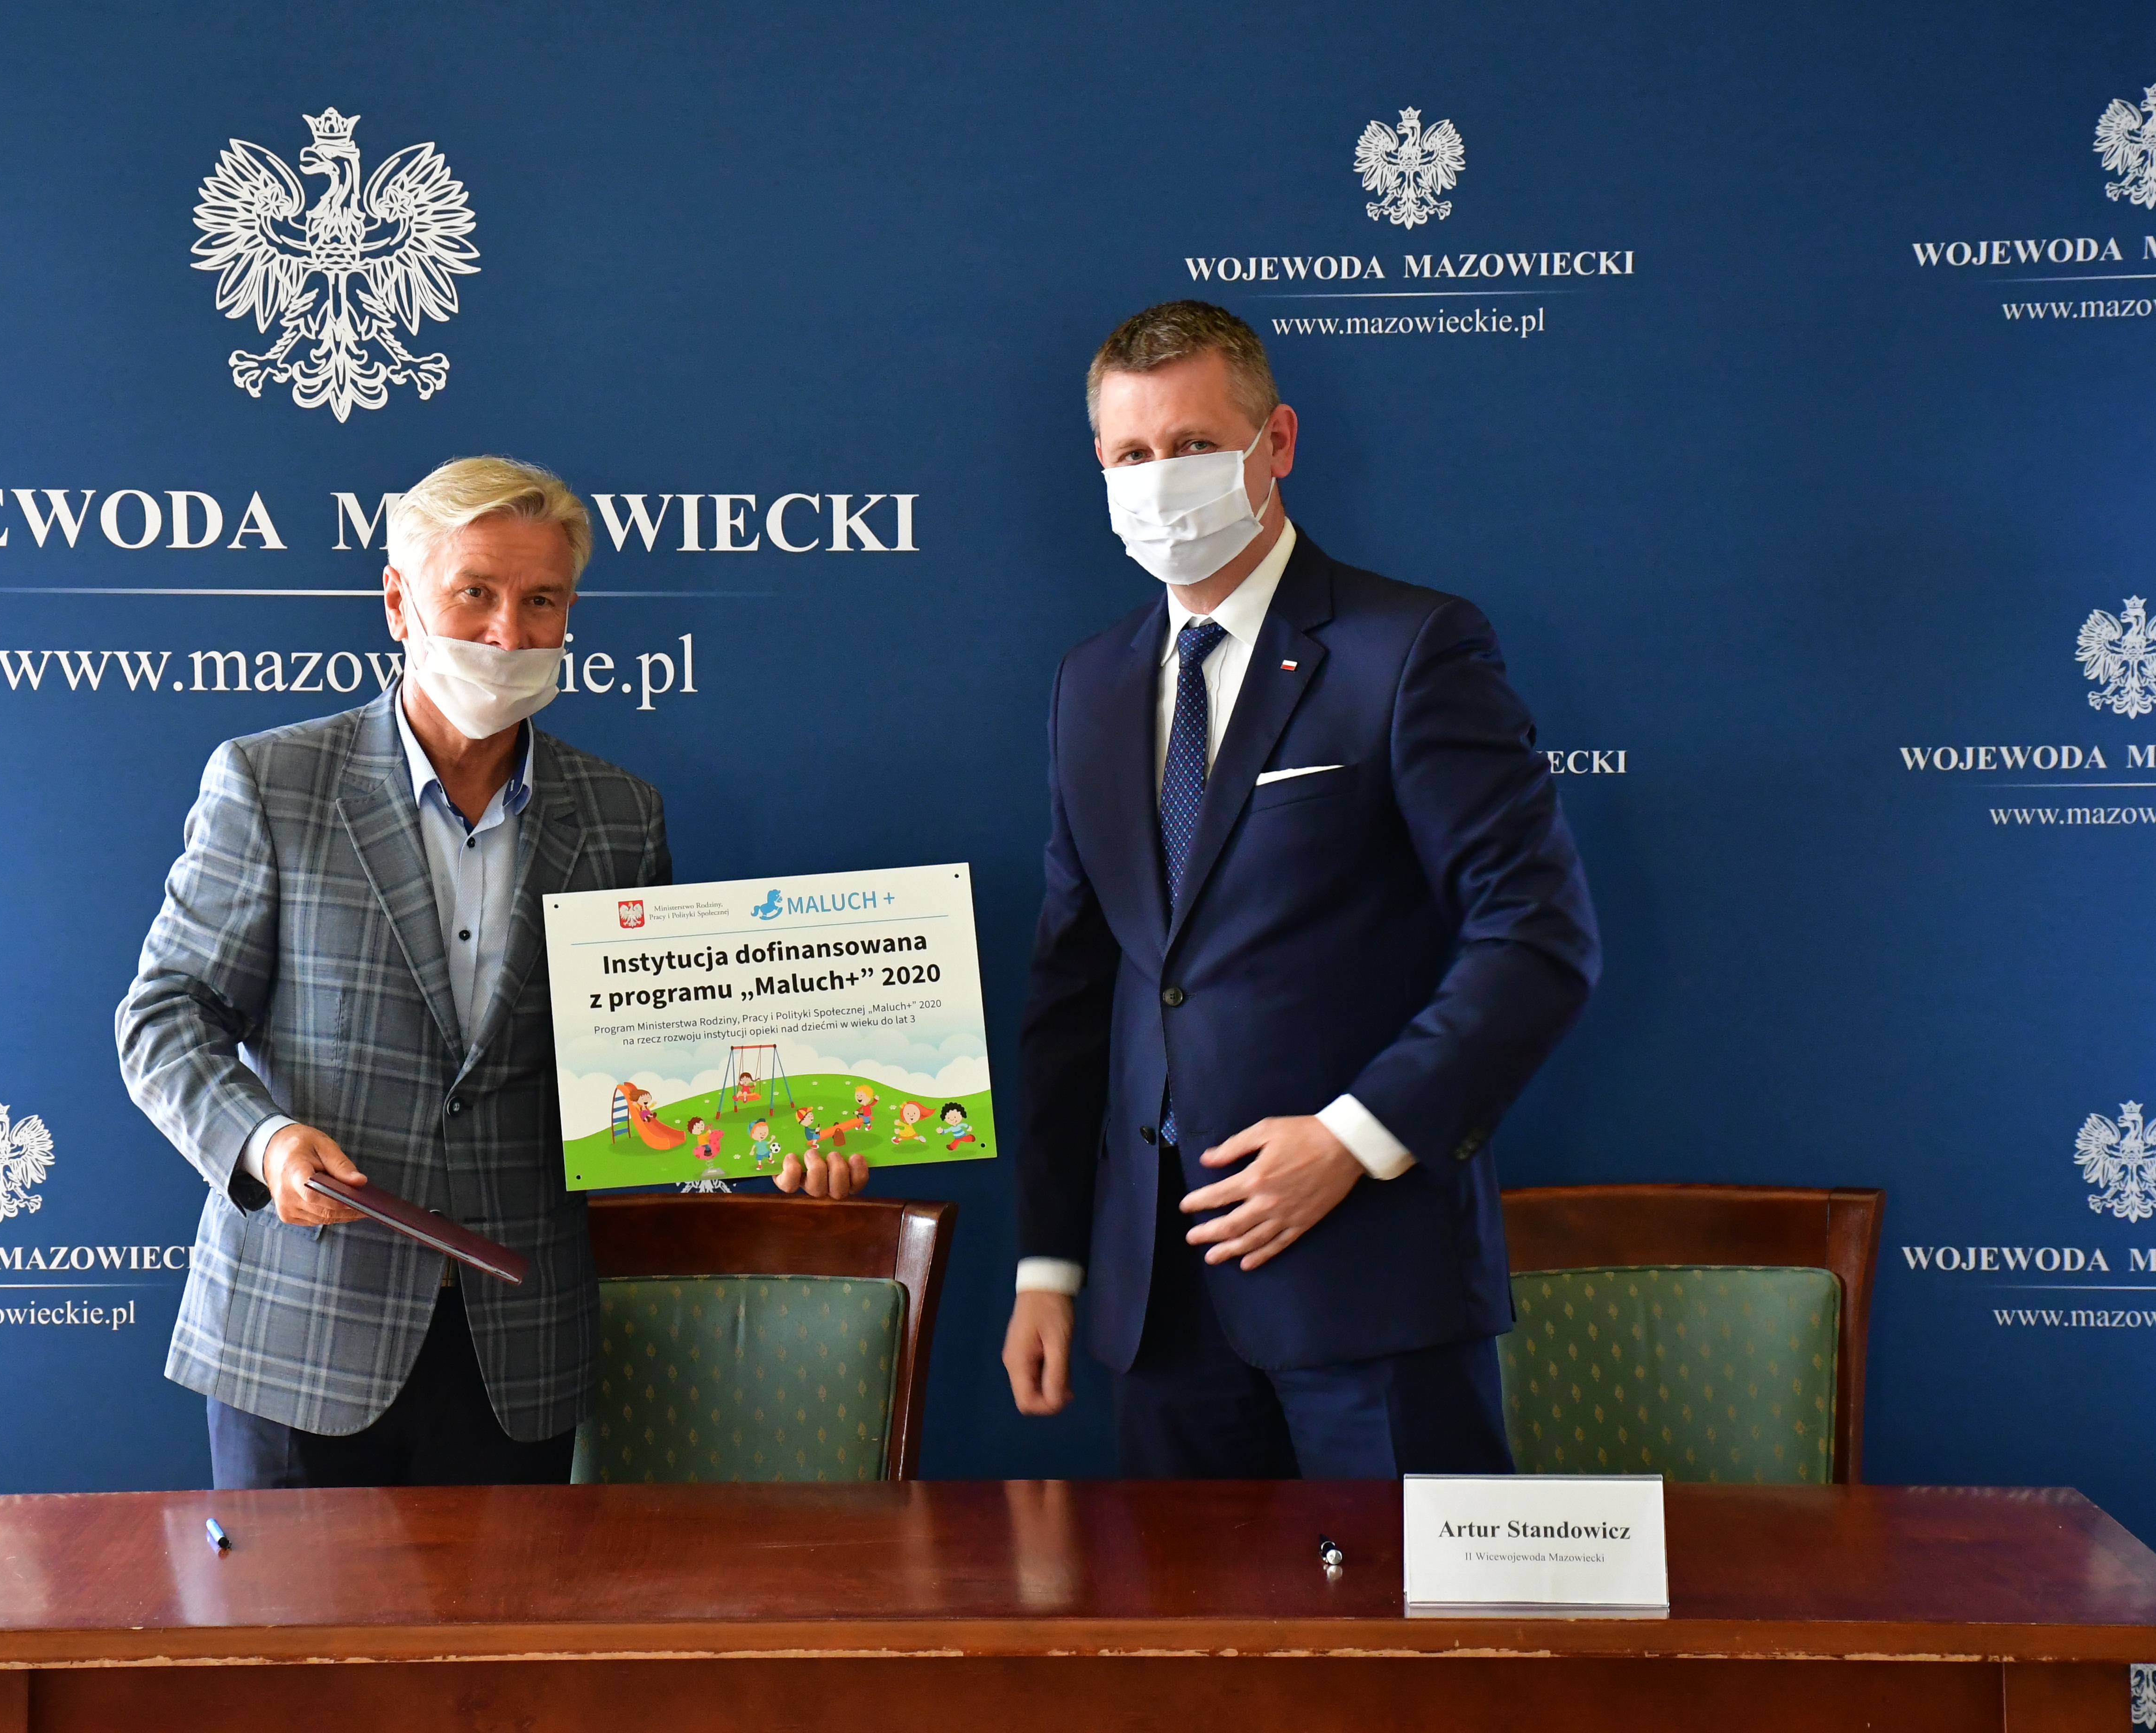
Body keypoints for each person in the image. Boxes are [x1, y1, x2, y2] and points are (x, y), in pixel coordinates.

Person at [117, 456, 864, 1493]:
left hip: (520, 1348)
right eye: (475, 592)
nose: (509, 634)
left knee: (505, 1614)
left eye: (541, 600)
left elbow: (652, 1062)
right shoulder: (271, 782)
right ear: (399, 602)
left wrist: (768, 1142)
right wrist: (266, 1141)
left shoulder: (621, 814)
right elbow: (167, 1017)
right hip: (301, 1339)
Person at [1003, 303, 1599, 1479]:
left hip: (1370, 1278)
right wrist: (1050, 1264)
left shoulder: (1411, 648)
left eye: (1192, 445)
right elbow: (1077, 989)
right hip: (1157, 1303)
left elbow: (1536, 938)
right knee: (1187, 1609)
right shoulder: (1092, 684)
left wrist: (1352, 1138)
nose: (1160, 479)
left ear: (1275, 441)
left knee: (1407, 1608)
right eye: (1132, 453)